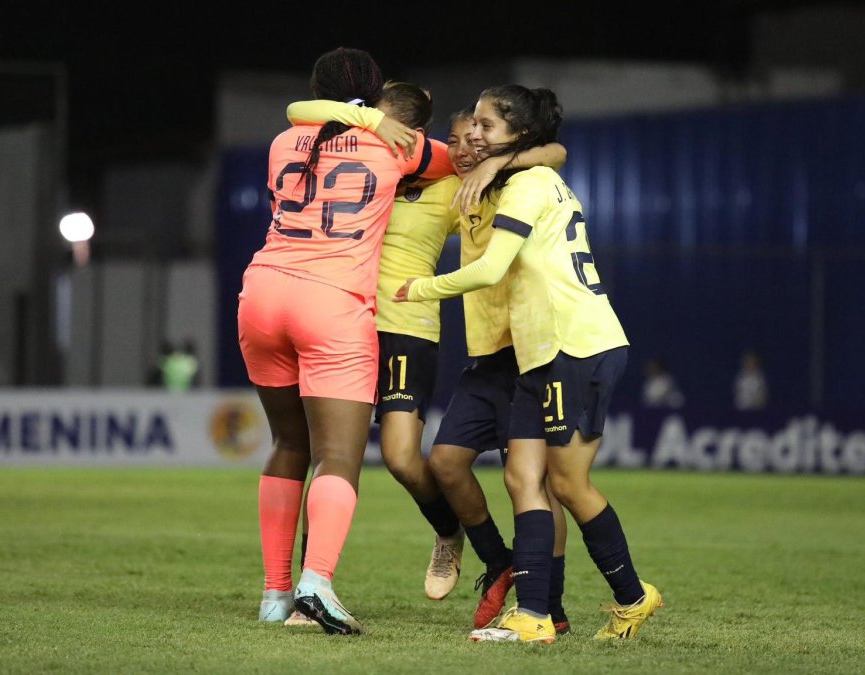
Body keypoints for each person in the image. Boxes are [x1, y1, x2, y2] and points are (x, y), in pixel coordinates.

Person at [285, 92, 573, 631]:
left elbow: (553, 152)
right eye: (460, 140)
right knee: (328, 458)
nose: (466, 148)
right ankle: (311, 588)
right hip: (342, 323)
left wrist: (492, 160)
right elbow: (301, 112)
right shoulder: (370, 165)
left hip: (407, 327)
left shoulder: (451, 180)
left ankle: (450, 532)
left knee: (400, 457)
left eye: (476, 138)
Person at [397, 84, 662, 643]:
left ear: (517, 134)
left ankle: (574, 606)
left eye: (487, 125)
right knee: (529, 478)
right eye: (470, 127)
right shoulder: (520, 174)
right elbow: (549, 152)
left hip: (571, 342)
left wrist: (418, 288)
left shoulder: (525, 182)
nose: (474, 134)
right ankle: (555, 610)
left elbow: (492, 269)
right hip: (547, 348)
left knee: (564, 483)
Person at [238, 47, 450, 636]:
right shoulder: (397, 146)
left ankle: (274, 593)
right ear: (380, 97)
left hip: (262, 293)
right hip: (331, 303)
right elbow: (458, 161)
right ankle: (316, 585)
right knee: (339, 458)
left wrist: (357, 116)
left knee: (287, 443)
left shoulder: (285, 141)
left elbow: (304, 113)